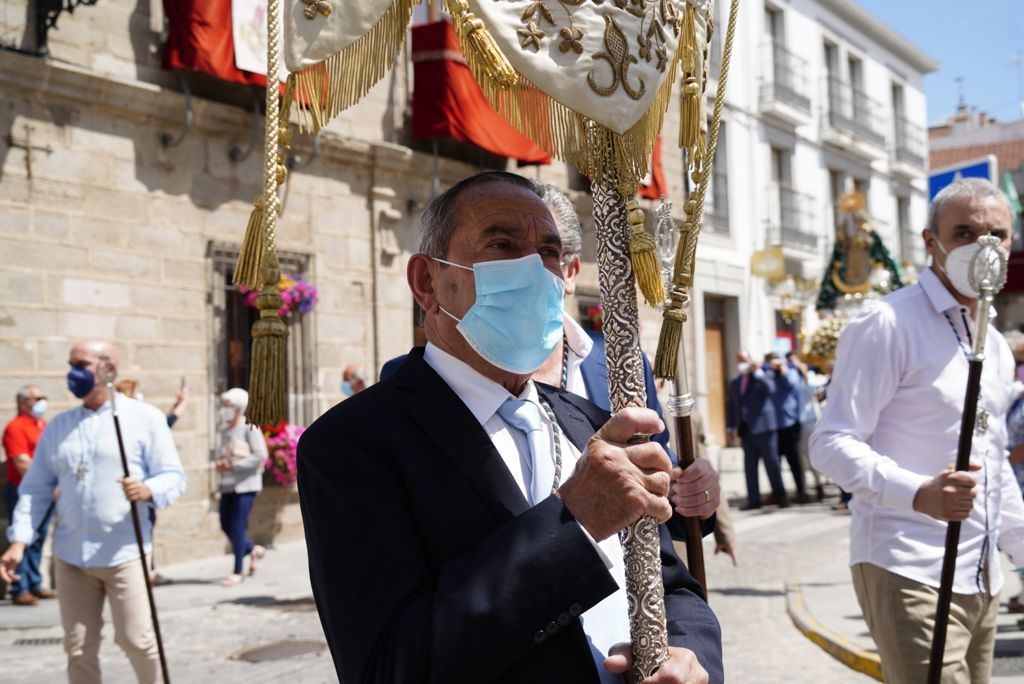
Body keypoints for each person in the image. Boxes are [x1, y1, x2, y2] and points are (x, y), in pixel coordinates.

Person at [299, 172, 723, 683]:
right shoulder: (353, 445)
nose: (534, 270)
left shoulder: (584, 419)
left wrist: (690, 657)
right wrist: (575, 523)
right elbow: (392, 665)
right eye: (502, 244)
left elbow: (672, 586)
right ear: (428, 282)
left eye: (547, 251)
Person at [810, 178, 1024, 684]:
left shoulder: (992, 343)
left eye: (997, 234)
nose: (983, 247)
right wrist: (919, 493)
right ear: (932, 242)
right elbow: (830, 441)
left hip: (982, 574)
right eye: (965, 232)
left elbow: (993, 462)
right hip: (909, 567)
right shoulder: (887, 323)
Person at [0, 339, 186, 684]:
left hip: (125, 552)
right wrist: (19, 540)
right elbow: (36, 488)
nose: (73, 372)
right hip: (71, 556)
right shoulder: (58, 426)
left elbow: (173, 476)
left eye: (81, 364)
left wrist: (148, 489)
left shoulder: (144, 418)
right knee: (78, 648)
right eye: (71, 363)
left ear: (108, 368)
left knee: (137, 640)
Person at [2, 385, 56, 605]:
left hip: (46, 490)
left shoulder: (41, 425)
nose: (42, 402)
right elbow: (22, 461)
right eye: (37, 398)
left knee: (39, 539)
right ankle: (19, 587)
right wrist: (44, 484)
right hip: (22, 491)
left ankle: (35, 582)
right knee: (22, 538)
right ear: (23, 402)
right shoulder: (15, 427)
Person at [215, 388, 267, 587]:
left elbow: (260, 455)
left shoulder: (249, 427)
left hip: (246, 485)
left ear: (239, 407)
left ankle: (238, 570)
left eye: (228, 405)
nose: (224, 409)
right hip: (229, 485)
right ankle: (252, 550)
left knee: (237, 526)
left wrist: (234, 465)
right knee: (225, 523)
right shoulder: (226, 429)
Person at [726, 350, 788, 510]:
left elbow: (770, 389)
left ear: (751, 359)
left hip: (765, 428)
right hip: (746, 430)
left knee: (772, 463)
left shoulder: (762, 375)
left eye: (744, 359)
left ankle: (779, 495)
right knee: (749, 466)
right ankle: (754, 499)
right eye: (739, 360)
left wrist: (757, 371)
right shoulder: (736, 381)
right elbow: (732, 405)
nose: (741, 362)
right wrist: (729, 427)